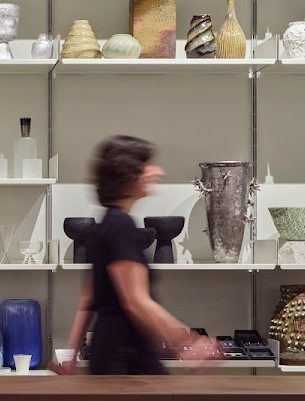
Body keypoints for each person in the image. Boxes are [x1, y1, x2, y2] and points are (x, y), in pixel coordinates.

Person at [60, 135, 220, 375]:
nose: (158, 171)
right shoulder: (120, 227)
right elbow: (136, 301)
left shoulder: (107, 225)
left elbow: (88, 298)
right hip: (125, 358)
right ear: (128, 173)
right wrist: (189, 344)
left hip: (113, 353)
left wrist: (72, 354)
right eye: (147, 165)